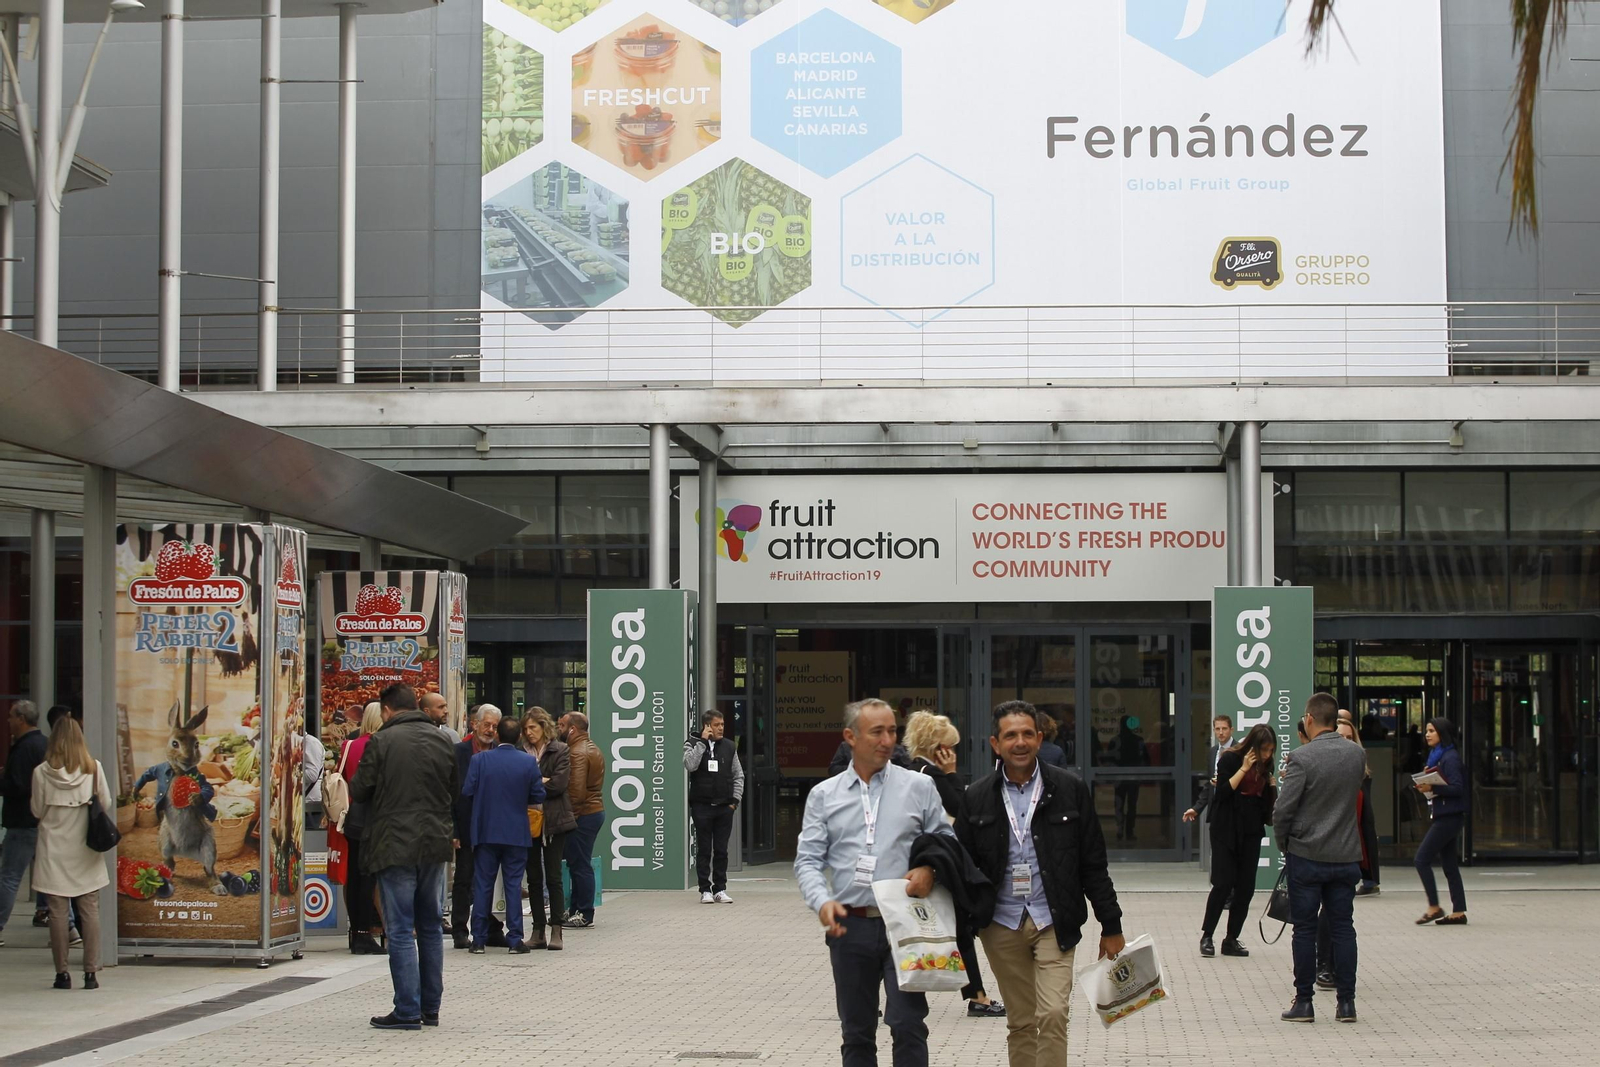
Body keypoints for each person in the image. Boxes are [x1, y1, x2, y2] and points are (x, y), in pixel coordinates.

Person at [955, 701, 1124, 1067]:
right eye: (1010, 735)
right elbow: (962, 868)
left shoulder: (1069, 789)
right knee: (1021, 1022)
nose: (1020, 742)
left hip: (1054, 920)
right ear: (995, 744)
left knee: (1052, 1014)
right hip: (1001, 924)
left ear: (1040, 739)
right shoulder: (977, 796)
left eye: (1027, 734)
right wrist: (961, 926)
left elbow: (1093, 863)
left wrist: (1111, 925)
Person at [795, 698, 954, 1067]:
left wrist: (932, 869)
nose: (887, 740)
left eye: (892, 731)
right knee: (856, 1031)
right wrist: (821, 901)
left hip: (907, 922)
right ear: (850, 736)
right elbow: (807, 861)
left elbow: (947, 842)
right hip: (849, 925)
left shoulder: (919, 786)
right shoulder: (825, 795)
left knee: (908, 1023)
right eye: (877, 732)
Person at [349, 682, 457, 1031]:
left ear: (387, 710)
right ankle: (431, 1008)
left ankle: (407, 1010)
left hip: (394, 843)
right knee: (429, 926)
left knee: (399, 929)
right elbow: (455, 789)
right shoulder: (444, 740)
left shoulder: (381, 742)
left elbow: (360, 789)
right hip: (434, 842)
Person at [903, 710, 1005, 1019]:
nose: (953, 752)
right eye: (950, 745)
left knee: (951, 928)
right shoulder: (931, 775)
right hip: (939, 861)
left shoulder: (910, 770)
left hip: (926, 859)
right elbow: (963, 808)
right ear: (938, 748)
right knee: (960, 927)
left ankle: (976, 994)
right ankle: (977, 996)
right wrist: (951, 773)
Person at [1272, 692, 1366, 1024]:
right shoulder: (1356, 755)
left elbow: (1283, 810)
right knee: (1343, 928)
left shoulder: (1301, 758)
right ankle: (1346, 1003)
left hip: (1307, 855)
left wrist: (1285, 843)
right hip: (1344, 855)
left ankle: (1305, 1002)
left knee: (1305, 930)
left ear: (1310, 720)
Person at [29, 717, 110, 988]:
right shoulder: (93, 768)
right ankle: (90, 973)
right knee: (90, 910)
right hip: (85, 848)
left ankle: (62, 974)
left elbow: (36, 810)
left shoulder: (42, 772)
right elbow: (106, 803)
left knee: (57, 913)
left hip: (53, 848)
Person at [461, 716, 545, 954]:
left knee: (483, 885)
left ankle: (478, 939)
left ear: (497, 735)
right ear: (519, 737)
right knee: (513, 885)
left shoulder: (479, 760)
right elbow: (538, 795)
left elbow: (467, 790)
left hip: (485, 830)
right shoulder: (528, 762)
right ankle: (515, 939)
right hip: (516, 832)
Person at [1198, 724, 1277, 958]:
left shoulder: (1266, 767)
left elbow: (1267, 808)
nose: (1267, 755)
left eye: (1271, 750)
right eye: (1264, 749)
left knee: (1245, 888)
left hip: (1251, 830)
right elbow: (1221, 792)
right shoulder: (1230, 759)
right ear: (1253, 746)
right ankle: (1207, 935)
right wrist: (1243, 769)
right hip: (1226, 828)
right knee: (1223, 883)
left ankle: (1231, 938)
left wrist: (1272, 788)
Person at [1316, 713, 1378, 989]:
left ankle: (1338, 974)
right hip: (1324, 848)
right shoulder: (1318, 767)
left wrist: (1370, 868)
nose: (1344, 742)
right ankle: (1323, 966)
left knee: (1340, 916)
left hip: (1349, 851)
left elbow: (1367, 819)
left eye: (1349, 738)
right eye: (1339, 737)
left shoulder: (1361, 772)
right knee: (1326, 914)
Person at [451, 704, 505, 950]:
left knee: (490, 881)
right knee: (464, 879)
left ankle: (490, 928)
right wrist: (452, 829)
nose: (490, 730)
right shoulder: (458, 752)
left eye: (495, 726)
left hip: (494, 825)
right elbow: (449, 792)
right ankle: (460, 930)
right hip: (465, 826)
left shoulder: (502, 752)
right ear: (475, 724)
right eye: (487, 725)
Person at [521, 709, 572, 950]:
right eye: (526, 729)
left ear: (544, 727)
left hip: (554, 819)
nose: (529, 733)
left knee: (553, 876)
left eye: (533, 728)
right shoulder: (522, 752)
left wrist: (535, 783)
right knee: (533, 877)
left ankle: (557, 929)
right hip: (528, 820)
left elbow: (559, 785)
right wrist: (541, 781)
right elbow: (516, 785)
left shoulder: (559, 750)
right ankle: (537, 929)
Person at [339, 700, 387, 955]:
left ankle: (357, 931)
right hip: (375, 817)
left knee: (355, 877)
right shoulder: (380, 746)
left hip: (352, 817)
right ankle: (370, 930)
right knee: (372, 878)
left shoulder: (349, 745)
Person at [0, 700, 47, 947]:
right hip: (43, 820)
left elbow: (18, 785)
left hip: (22, 821)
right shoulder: (44, 744)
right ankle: (69, 926)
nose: (8, 721)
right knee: (50, 876)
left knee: (9, 876)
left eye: (10, 716)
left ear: (21, 719)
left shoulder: (23, 748)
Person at [684, 709, 743, 904]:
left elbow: (738, 775)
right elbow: (690, 765)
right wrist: (702, 743)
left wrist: (734, 802)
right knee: (704, 849)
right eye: (717, 725)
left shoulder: (729, 746)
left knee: (721, 850)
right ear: (707, 726)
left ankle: (720, 888)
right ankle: (704, 889)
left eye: (723, 725)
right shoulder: (692, 743)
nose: (721, 728)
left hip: (724, 807)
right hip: (702, 806)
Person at [1414, 717, 1468, 926]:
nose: (1427, 734)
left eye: (1431, 731)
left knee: (1421, 859)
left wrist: (1433, 788)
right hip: (1444, 813)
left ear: (1442, 733)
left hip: (1449, 816)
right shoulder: (1437, 756)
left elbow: (1457, 787)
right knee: (1449, 865)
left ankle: (1434, 906)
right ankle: (1459, 911)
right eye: (1426, 731)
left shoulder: (1450, 757)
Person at [559, 711, 605, 929]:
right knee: (579, 862)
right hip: (592, 812)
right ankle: (577, 909)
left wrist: (570, 818)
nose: (559, 729)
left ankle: (584, 912)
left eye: (561, 726)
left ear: (572, 729)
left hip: (583, 814)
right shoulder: (591, 747)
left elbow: (576, 793)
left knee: (580, 864)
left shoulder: (576, 752)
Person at [1183, 714, 1236, 824]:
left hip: (1234, 809)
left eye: (1224, 728)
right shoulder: (1213, 751)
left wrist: (1223, 783)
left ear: (1231, 730)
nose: (1221, 732)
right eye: (1217, 729)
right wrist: (1196, 808)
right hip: (1215, 810)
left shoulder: (1239, 751)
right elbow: (1209, 784)